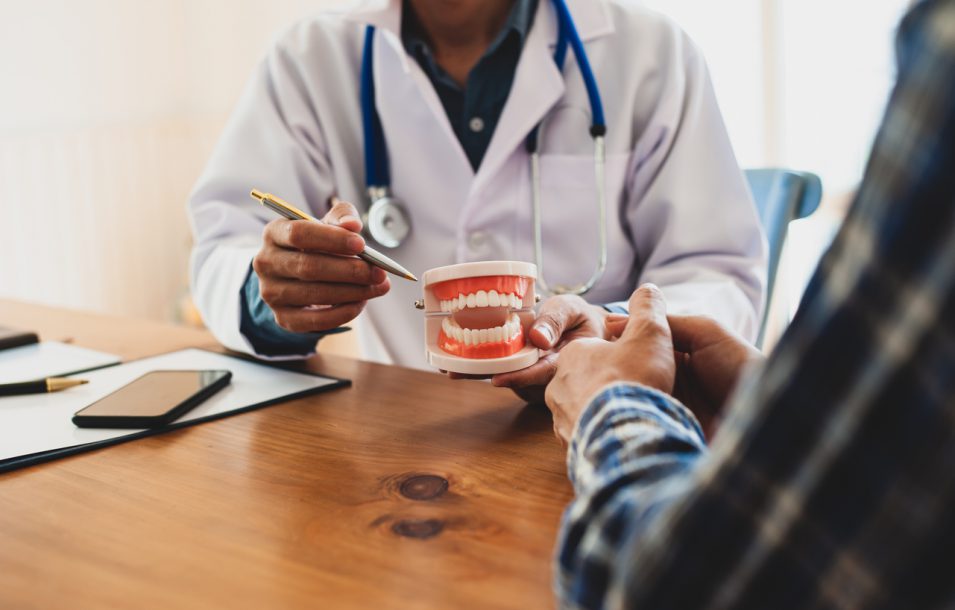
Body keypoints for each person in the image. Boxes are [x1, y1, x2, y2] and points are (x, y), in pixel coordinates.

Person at [544, 0, 955, 606]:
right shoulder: (347, 47)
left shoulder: (944, 46)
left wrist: (613, 400)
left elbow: (685, 587)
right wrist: (774, 403)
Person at [187, 0, 766, 399]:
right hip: (402, 439)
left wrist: (615, 331)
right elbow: (226, 241)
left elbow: (717, 271)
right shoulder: (310, 56)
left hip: (602, 431)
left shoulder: (652, 52)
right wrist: (277, 295)